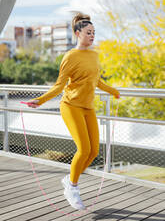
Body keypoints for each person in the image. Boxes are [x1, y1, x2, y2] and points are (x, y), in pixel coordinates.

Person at [27, 12, 120, 210]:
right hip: (70, 106)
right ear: (78, 33)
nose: (92, 36)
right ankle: (72, 187)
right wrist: (41, 100)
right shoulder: (69, 57)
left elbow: (96, 81)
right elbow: (59, 86)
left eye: (94, 32)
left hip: (88, 107)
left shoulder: (94, 55)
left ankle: (70, 177)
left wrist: (113, 91)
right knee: (83, 149)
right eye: (88, 32)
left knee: (94, 151)